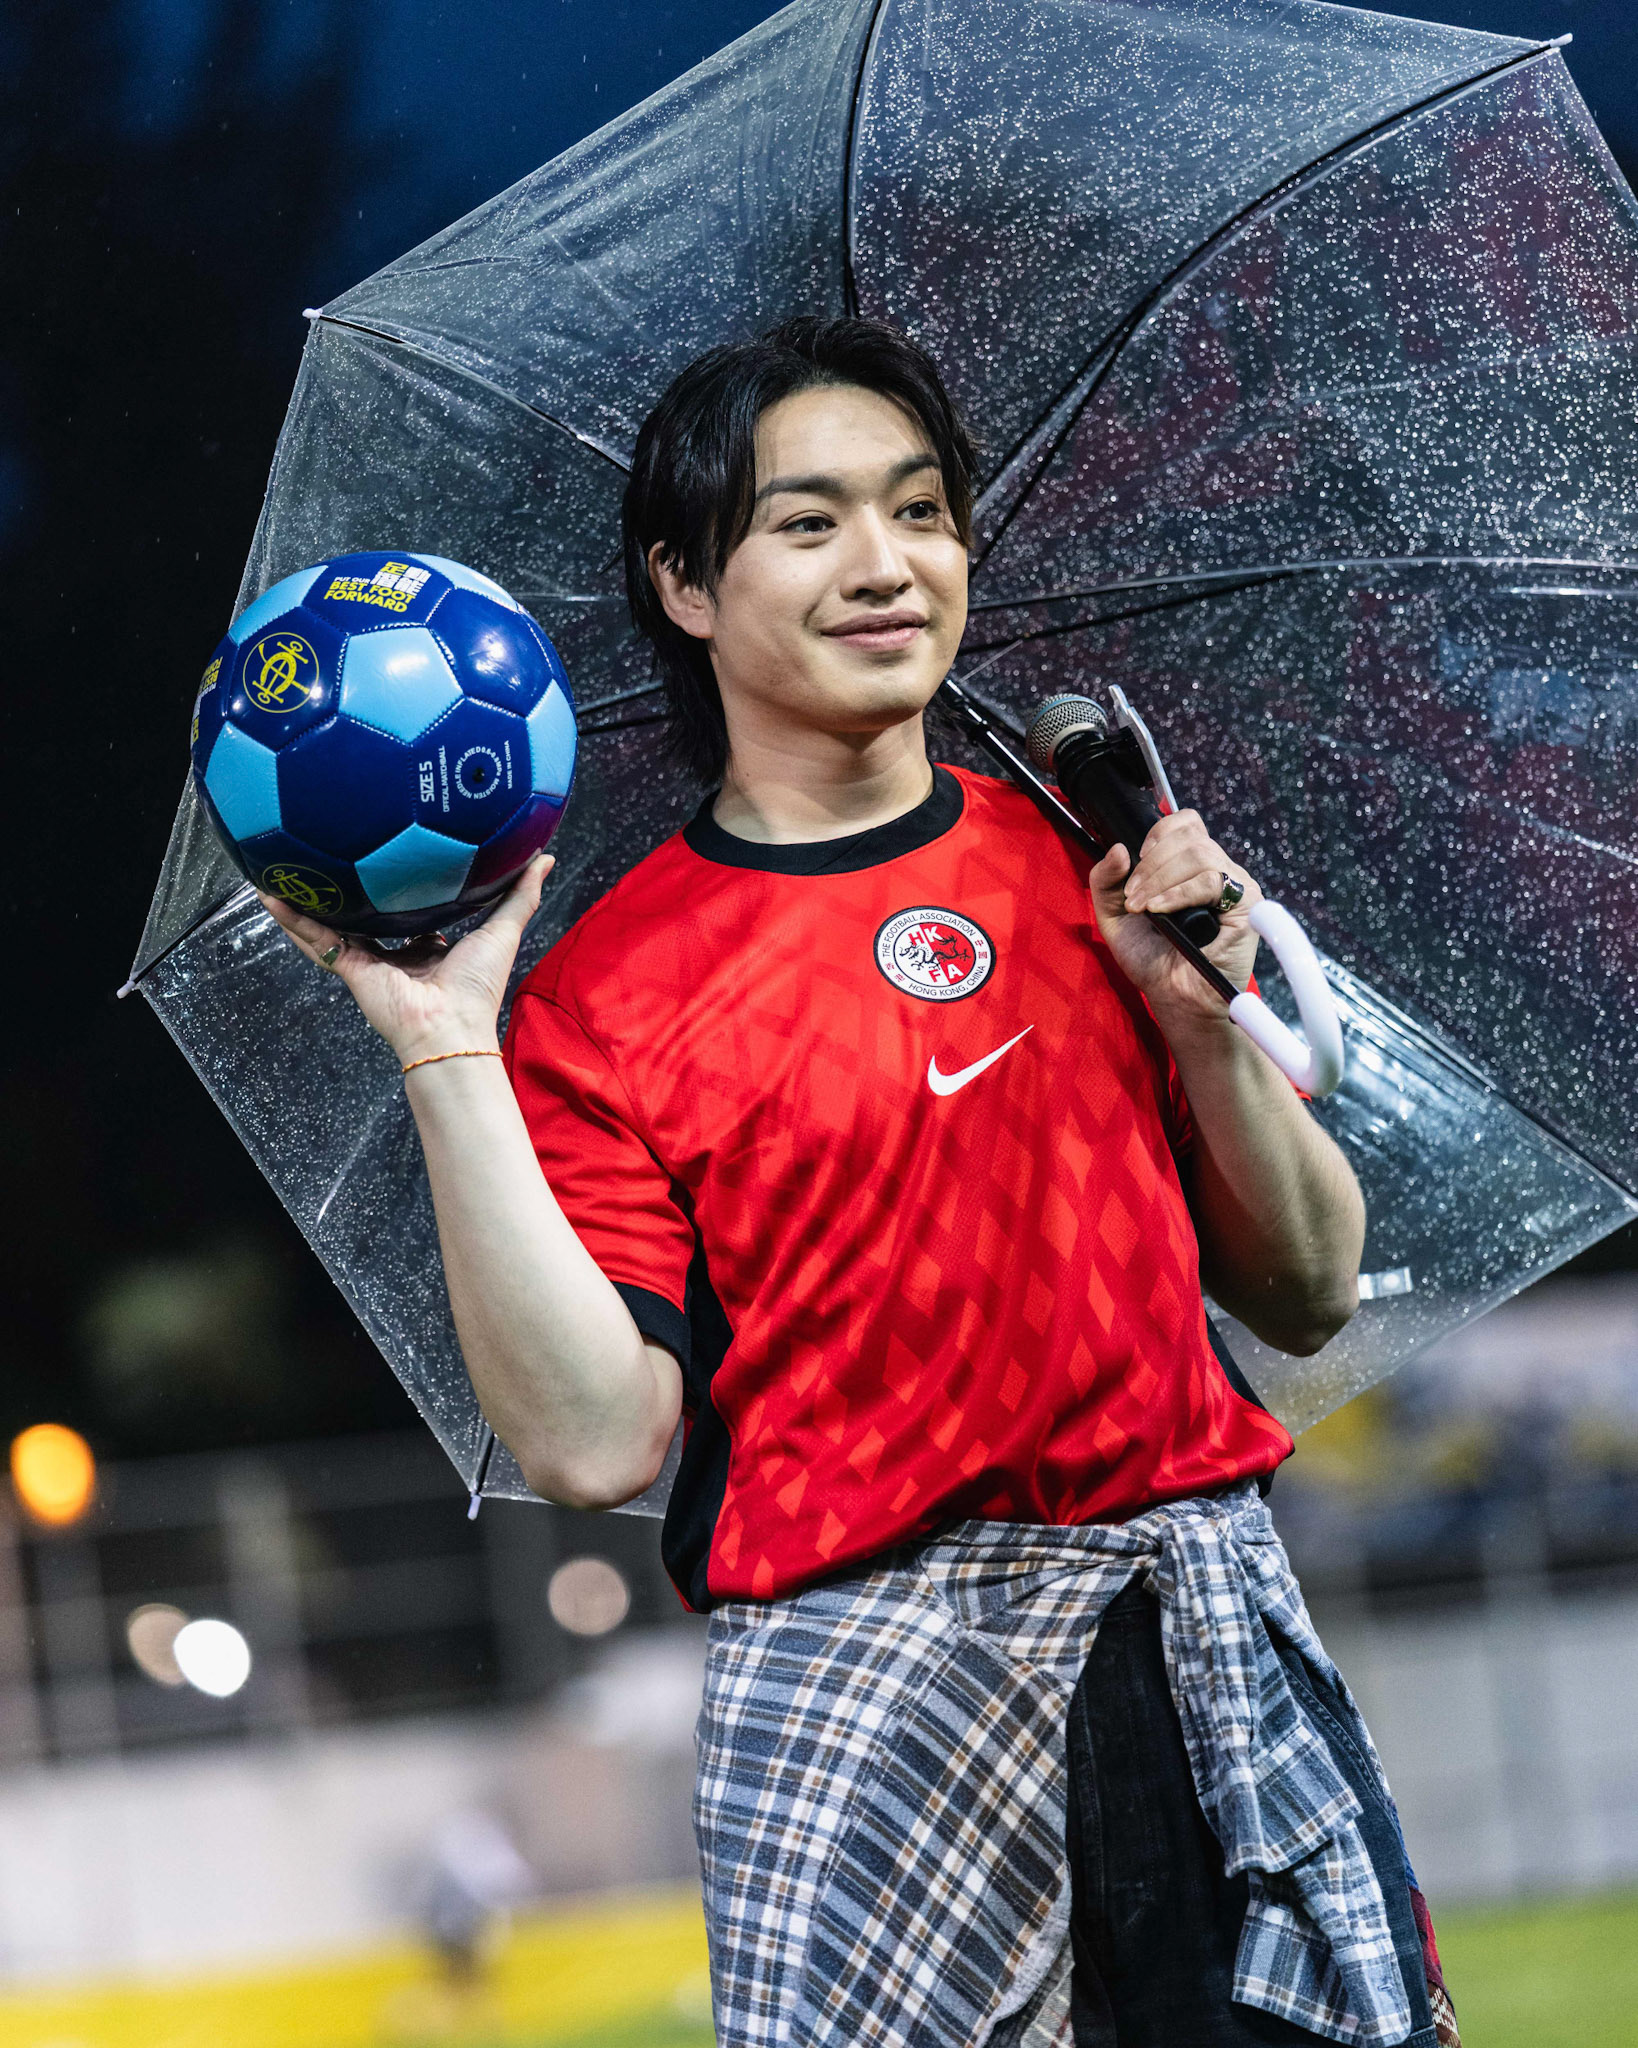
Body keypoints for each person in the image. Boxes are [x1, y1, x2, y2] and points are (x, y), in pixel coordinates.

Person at [264, 317, 1457, 2048]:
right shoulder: (609, 994)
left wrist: (1197, 1021)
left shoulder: (1080, 854)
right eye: (809, 523)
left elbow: (1306, 1288)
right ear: (684, 584)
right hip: (871, 1699)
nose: (888, 565)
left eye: (920, 509)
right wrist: (445, 1041)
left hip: (1195, 1643)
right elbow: (592, 1446)